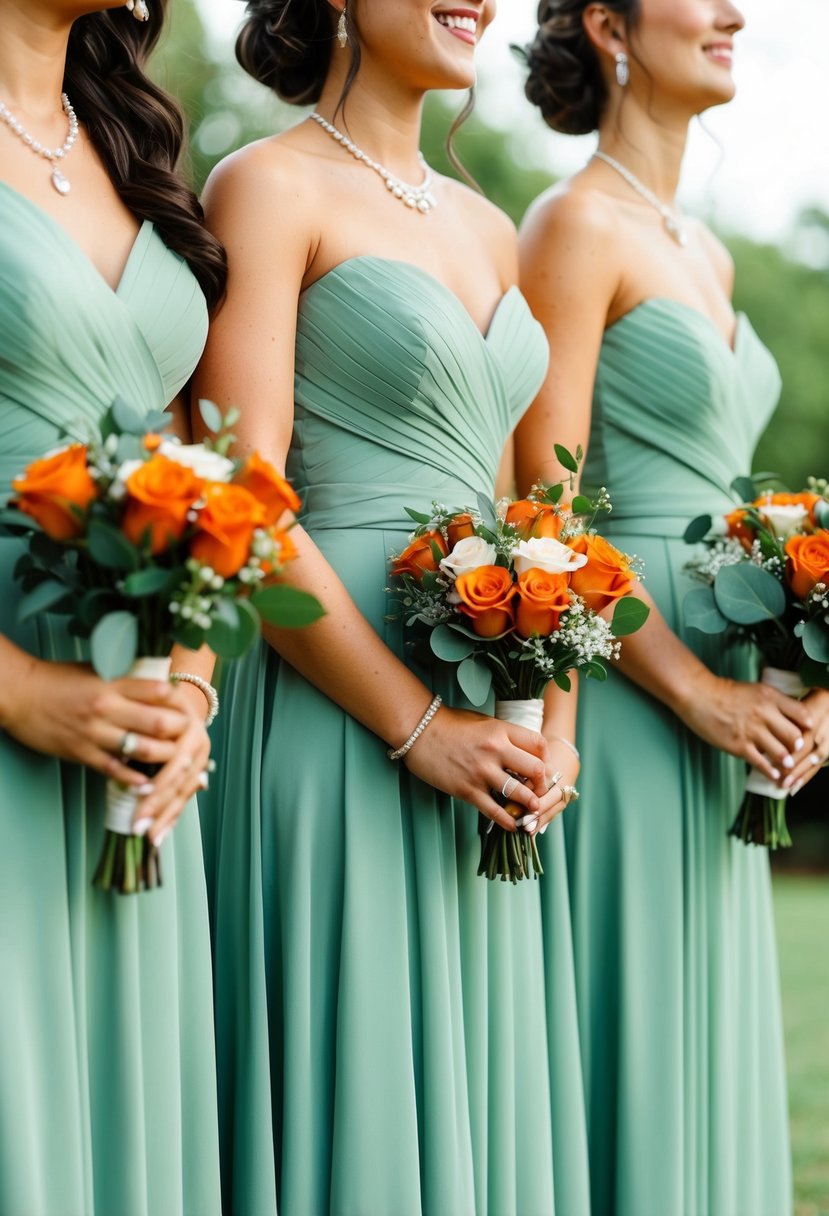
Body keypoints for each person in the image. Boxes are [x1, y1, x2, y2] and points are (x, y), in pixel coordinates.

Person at [194, 1, 590, 1212]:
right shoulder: (265, 186)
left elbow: (540, 505)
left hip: (499, 720)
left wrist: (552, 729)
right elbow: (246, 497)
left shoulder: (487, 226)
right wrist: (418, 729)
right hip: (339, 706)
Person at [517, 1, 829, 1213]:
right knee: (631, 1013)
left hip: (731, 687)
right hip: (636, 682)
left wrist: (793, 665)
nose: (734, 13)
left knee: (706, 1020)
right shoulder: (574, 224)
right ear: (609, 24)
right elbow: (540, 510)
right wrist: (692, 687)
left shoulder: (707, 253)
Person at [0, 2, 227, 1212]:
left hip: (143, 730)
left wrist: (190, 682)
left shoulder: (127, 143)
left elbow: (201, 460)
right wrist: (22, 688)